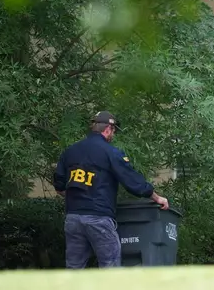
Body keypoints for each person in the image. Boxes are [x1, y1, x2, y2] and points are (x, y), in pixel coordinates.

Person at [52, 111, 169, 269]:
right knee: (110, 267)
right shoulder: (111, 153)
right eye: (113, 131)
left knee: (74, 268)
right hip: (99, 218)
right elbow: (132, 181)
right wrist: (156, 197)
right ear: (108, 128)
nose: (113, 135)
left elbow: (59, 186)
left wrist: (77, 199)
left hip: (73, 219)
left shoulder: (70, 151)